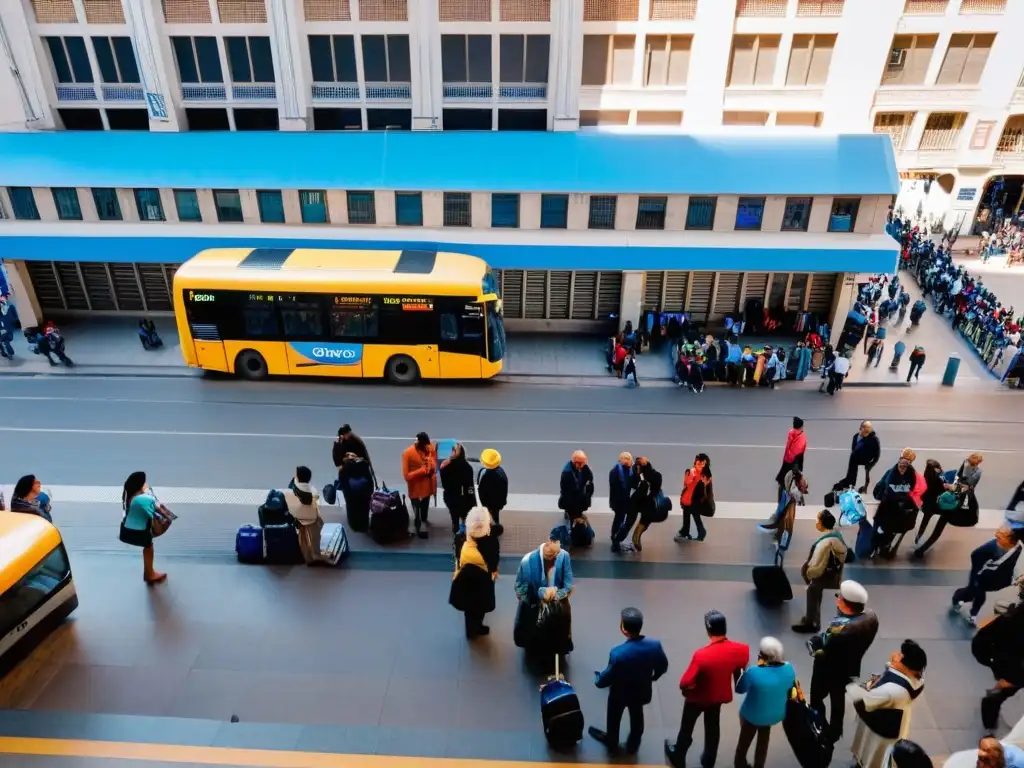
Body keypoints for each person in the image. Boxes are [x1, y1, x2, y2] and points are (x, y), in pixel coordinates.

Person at [664, 610, 749, 768]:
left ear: (708, 631)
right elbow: (741, 672)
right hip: (718, 697)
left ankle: (679, 755)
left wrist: (689, 688)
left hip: (697, 698)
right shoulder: (741, 650)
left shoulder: (702, 655)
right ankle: (709, 759)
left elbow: (685, 682)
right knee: (713, 728)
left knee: (687, 727)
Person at [588, 607, 669, 755]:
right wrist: (653, 678)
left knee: (614, 717)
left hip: (620, 694)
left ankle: (612, 740)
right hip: (641, 691)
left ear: (624, 629)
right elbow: (663, 666)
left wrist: (597, 678)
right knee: (637, 715)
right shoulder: (655, 645)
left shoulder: (618, 654)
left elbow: (607, 678)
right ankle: (634, 742)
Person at [807, 580, 880, 743]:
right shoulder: (871, 618)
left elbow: (824, 652)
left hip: (828, 672)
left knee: (817, 699)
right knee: (838, 697)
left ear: (844, 603)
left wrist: (815, 647)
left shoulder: (840, 633)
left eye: (839, 597)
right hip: (850, 669)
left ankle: (818, 725)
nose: (837, 598)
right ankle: (835, 729)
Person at [847, 639, 927, 768]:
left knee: (873, 751)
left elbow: (865, 700)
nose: (896, 655)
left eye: (901, 656)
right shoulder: (918, 680)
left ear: (907, 666)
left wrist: (854, 687)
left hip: (881, 725)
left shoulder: (892, 690)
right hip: (897, 720)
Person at [734, 637, 796, 768]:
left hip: (752, 715)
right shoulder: (790, 669)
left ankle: (740, 763)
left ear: (763, 656)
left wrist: (741, 671)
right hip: (774, 714)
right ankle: (759, 765)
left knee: (744, 742)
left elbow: (740, 689)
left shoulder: (754, 672)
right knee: (763, 740)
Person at [972, 581, 1024, 734]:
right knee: (1005, 690)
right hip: (1014, 667)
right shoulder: (1013, 619)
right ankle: (990, 712)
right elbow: (981, 643)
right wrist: (996, 666)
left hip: (1013, 666)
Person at [514, 532, 574, 661]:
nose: (554, 557)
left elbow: (568, 585)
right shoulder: (527, 561)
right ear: (546, 545)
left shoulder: (563, 556)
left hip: (557, 602)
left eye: (557, 554)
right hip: (534, 602)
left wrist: (554, 594)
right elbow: (520, 588)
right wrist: (540, 595)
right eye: (551, 554)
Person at [951, 525, 1022, 627]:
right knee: (976, 594)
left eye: (1000, 536)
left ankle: (971, 611)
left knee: (977, 594)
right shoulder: (991, 547)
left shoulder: (1018, 548)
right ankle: (961, 603)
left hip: (997, 578)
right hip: (981, 575)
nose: (996, 536)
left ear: (1010, 540)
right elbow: (975, 555)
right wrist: (976, 574)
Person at [914, 454, 983, 558]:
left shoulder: (976, 474)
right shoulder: (965, 465)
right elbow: (958, 477)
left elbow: (967, 489)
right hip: (952, 498)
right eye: (968, 462)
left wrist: (952, 487)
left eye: (972, 464)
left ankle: (922, 548)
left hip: (960, 505)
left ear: (976, 464)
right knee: (940, 520)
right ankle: (920, 542)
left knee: (942, 521)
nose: (968, 465)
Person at [792, 509, 848, 633]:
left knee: (813, 592)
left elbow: (816, 565)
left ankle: (811, 623)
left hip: (825, 575)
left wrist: (808, 574)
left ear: (822, 523)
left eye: (818, 520)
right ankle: (811, 618)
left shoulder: (824, 543)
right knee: (817, 595)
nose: (816, 522)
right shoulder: (836, 535)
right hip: (834, 573)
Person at [449, 507, 498, 639]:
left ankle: (472, 629)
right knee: (480, 606)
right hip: (482, 577)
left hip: (466, 575)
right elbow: (493, 560)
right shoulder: (487, 541)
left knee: (469, 607)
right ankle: (475, 628)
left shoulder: (466, 536)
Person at [119, 471, 169, 584]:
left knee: (148, 546)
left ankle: (149, 572)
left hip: (129, 530)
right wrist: (147, 490)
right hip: (137, 532)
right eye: (144, 482)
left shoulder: (131, 497)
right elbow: (157, 504)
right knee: (148, 546)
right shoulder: (141, 499)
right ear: (140, 485)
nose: (146, 483)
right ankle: (149, 574)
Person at [287, 466, 326, 565]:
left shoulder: (293, 490)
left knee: (302, 538)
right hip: (312, 519)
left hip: (298, 519)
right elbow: (317, 505)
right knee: (317, 530)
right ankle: (316, 554)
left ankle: (306, 556)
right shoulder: (313, 490)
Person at [402, 432, 436, 539]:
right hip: (415, 490)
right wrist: (422, 471)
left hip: (427, 488)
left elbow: (434, 465)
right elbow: (407, 476)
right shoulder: (407, 453)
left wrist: (431, 464)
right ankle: (418, 528)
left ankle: (423, 519)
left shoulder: (430, 449)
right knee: (417, 513)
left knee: (424, 512)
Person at [440, 442, 476, 534]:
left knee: (454, 518)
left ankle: (456, 533)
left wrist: (442, 468)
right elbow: (470, 486)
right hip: (464, 499)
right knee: (465, 518)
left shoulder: (447, 466)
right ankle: (464, 533)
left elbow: (444, 484)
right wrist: (472, 500)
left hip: (451, 498)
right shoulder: (467, 467)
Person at [628, 457, 663, 552]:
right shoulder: (656, 475)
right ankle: (636, 540)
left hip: (639, 502)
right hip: (649, 504)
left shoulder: (639, 476)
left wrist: (638, 474)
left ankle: (635, 541)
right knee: (643, 522)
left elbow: (632, 484)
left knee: (630, 521)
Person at [676, 453, 712, 543]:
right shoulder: (692, 471)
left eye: (702, 462)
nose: (699, 463)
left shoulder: (706, 474)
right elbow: (687, 484)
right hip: (691, 497)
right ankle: (686, 530)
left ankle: (696, 531)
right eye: (698, 461)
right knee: (687, 509)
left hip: (700, 499)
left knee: (692, 510)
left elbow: (704, 489)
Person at [841, 421, 881, 493]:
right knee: (851, 477)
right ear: (860, 428)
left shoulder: (874, 439)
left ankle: (863, 490)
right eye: (864, 430)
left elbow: (877, 454)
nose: (865, 433)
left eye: (867, 431)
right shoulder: (856, 437)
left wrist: (871, 464)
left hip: (865, 464)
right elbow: (853, 449)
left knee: (864, 480)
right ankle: (851, 489)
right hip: (854, 462)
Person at [477, 448, 508, 536]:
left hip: (490, 503)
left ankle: (491, 533)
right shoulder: (500, 471)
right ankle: (495, 529)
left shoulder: (489, 476)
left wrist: (483, 504)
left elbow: (483, 491)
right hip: (497, 503)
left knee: (490, 518)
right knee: (495, 516)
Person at [775, 417, 807, 501]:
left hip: (788, 460)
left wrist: (786, 458)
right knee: (795, 479)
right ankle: (800, 498)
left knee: (782, 481)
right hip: (797, 461)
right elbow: (802, 450)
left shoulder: (791, 433)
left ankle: (781, 500)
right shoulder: (802, 436)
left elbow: (788, 447)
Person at [558, 450, 594, 523]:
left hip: (579, 502)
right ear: (575, 463)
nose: (583, 466)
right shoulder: (567, 473)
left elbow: (589, 478)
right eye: (581, 464)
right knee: (572, 525)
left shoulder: (581, 467)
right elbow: (567, 494)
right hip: (572, 505)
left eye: (584, 463)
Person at [609, 452, 634, 553]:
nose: (630, 462)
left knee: (620, 519)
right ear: (624, 460)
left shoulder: (627, 470)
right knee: (619, 519)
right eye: (629, 460)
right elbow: (616, 488)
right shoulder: (616, 471)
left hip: (623, 501)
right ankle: (615, 540)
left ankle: (616, 539)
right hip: (618, 501)